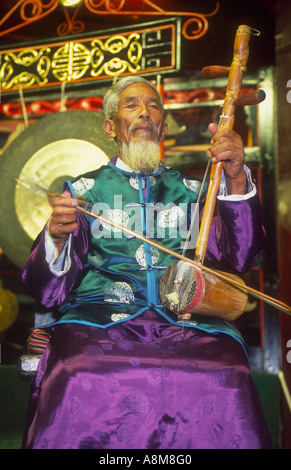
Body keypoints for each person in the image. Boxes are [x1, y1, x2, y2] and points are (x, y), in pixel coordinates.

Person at [21, 75, 271, 449]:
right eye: (132, 104)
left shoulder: (193, 191)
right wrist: (56, 238)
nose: (144, 113)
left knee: (229, 370)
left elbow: (241, 254)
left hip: (188, 320)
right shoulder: (83, 192)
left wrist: (235, 178)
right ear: (111, 126)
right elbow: (47, 289)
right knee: (73, 370)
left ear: (164, 128)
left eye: (153, 106)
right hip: (100, 320)